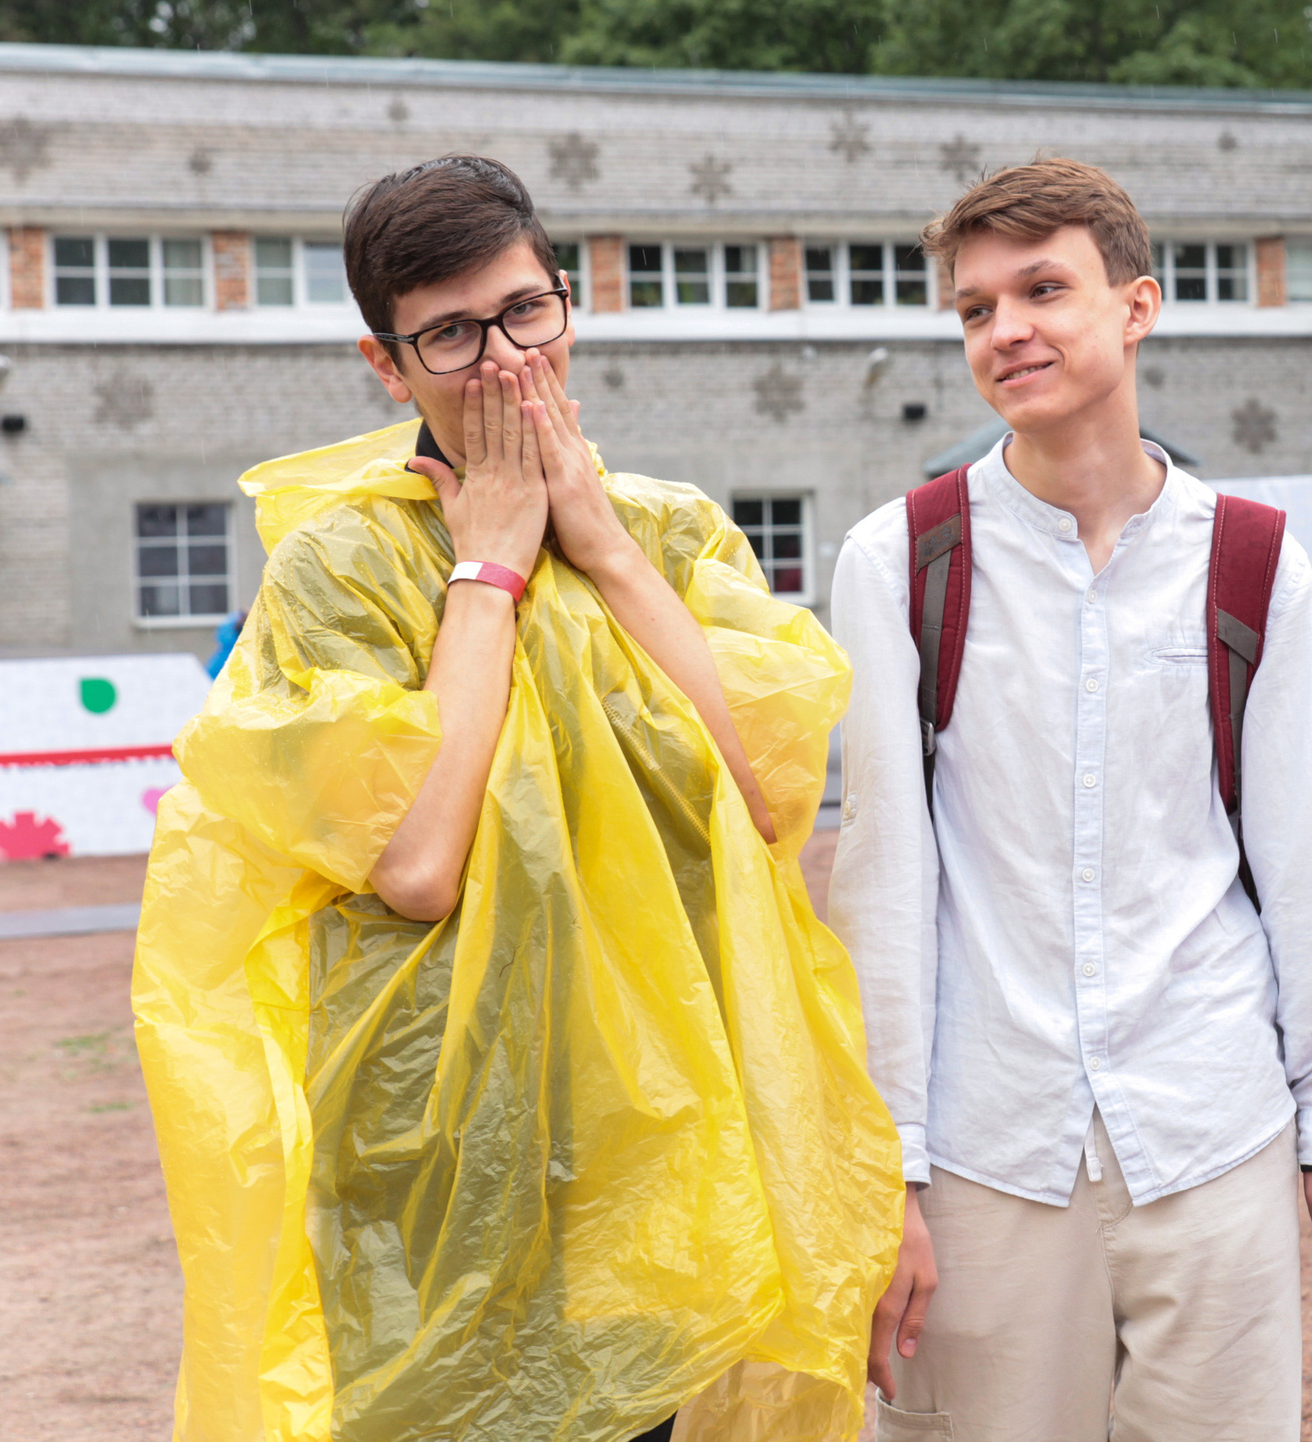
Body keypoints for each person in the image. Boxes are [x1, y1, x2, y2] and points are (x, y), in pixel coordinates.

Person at [132, 156, 899, 1442]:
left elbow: (764, 801)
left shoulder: (666, 536)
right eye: (449, 333)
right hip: (440, 1139)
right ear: (389, 365)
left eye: (522, 312)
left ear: (568, 303)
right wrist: (487, 569)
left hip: (657, 1132)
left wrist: (593, 541)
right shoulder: (345, 564)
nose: (498, 361)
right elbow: (420, 862)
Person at [826, 159, 1312, 1442]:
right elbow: (886, 889)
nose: (1007, 331)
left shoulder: (1254, 558)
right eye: (976, 308)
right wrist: (889, 1177)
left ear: (1138, 306)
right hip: (992, 1150)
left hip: (1212, 1132)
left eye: (1043, 289)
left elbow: (1298, 871)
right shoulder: (901, 560)